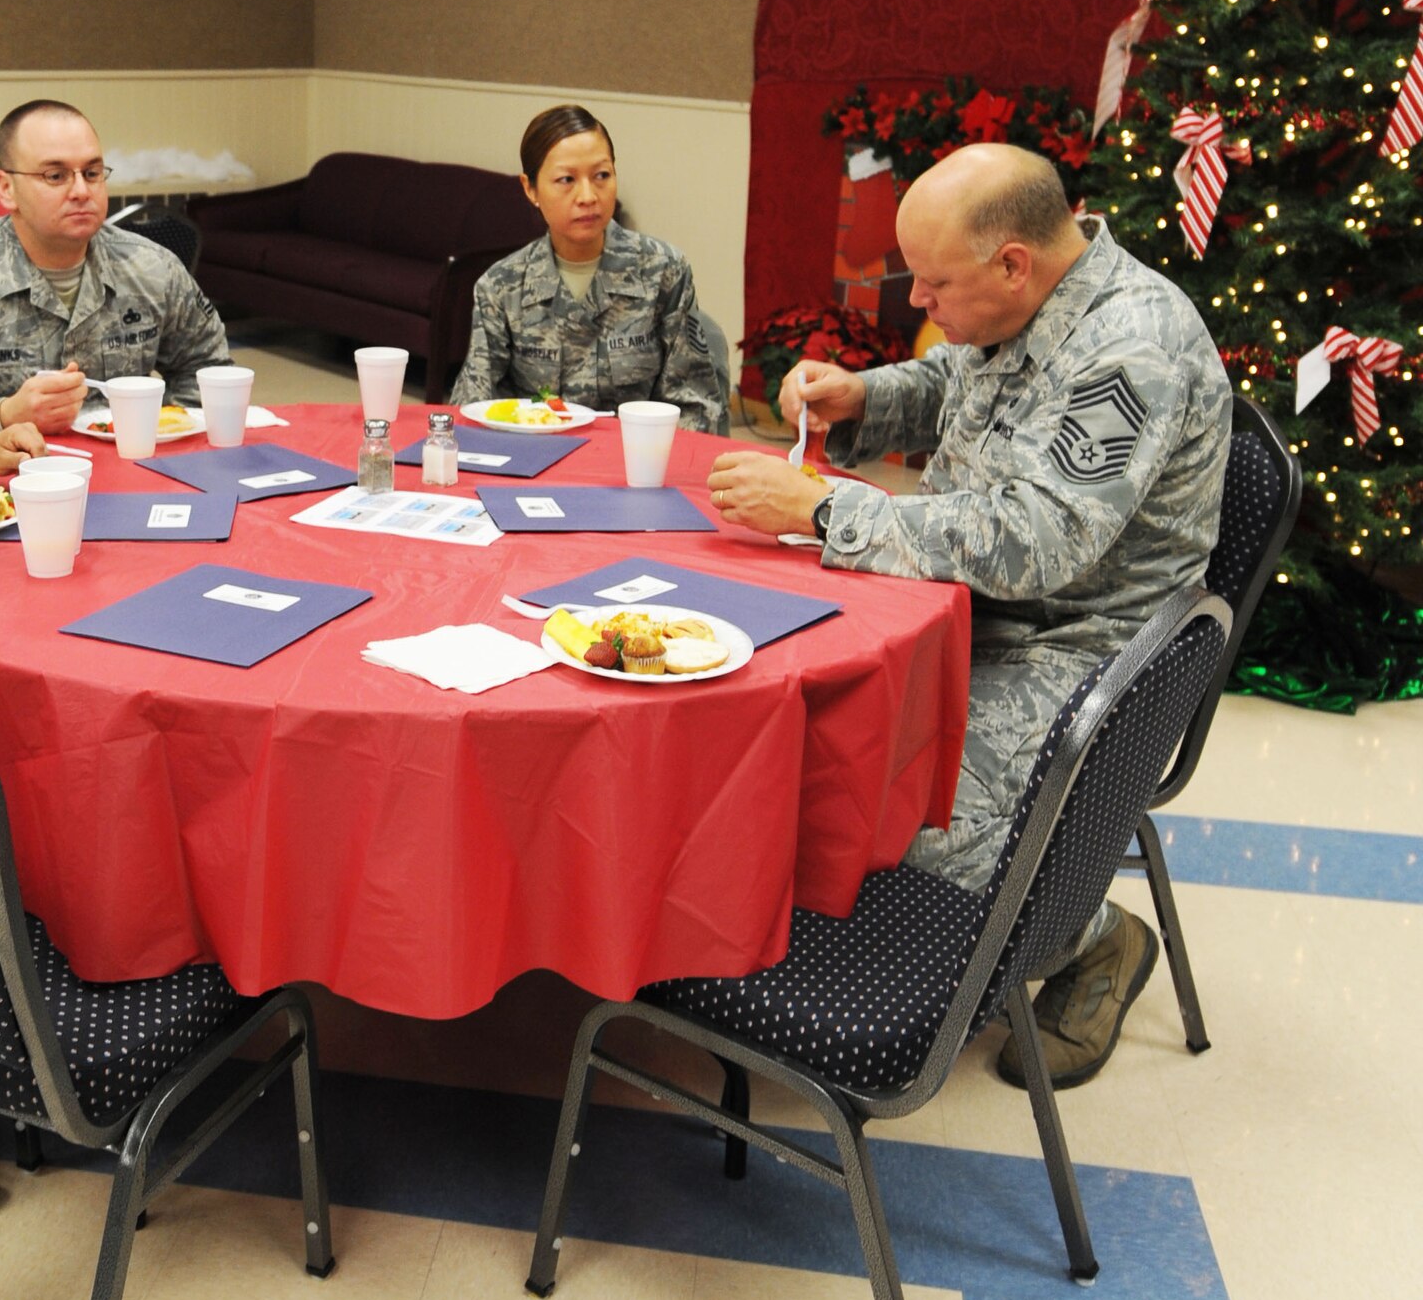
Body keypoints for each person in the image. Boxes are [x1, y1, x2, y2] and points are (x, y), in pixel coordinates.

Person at [704, 143, 1230, 1088]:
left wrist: (826, 508)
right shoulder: (1035, 294)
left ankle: (1092, 936)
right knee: (774, 706)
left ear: (1013, 263)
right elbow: (963, 384)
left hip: (1075, 649)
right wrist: (867, 396)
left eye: (933, 284)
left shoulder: (1132, 348)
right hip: (960, 605)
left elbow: (1042, 540)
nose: (919, 305)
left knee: (901, 801)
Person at [0, 98, 232, 470]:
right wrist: (4, 414)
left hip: (134, 472)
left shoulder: (152, 269)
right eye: (55, 176)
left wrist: (168, 436)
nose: (80, 191)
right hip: (1, 496)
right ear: (6, 188)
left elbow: (211, 375)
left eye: (92, 173)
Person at [449, 105, 723, 432]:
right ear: (530, 188)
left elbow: (696, 406)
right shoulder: (500, 286)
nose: (588, 196)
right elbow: (472, 406)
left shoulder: (663, 270)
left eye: (601, 176)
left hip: (636, 465)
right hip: (532, 466)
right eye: (566, 180)